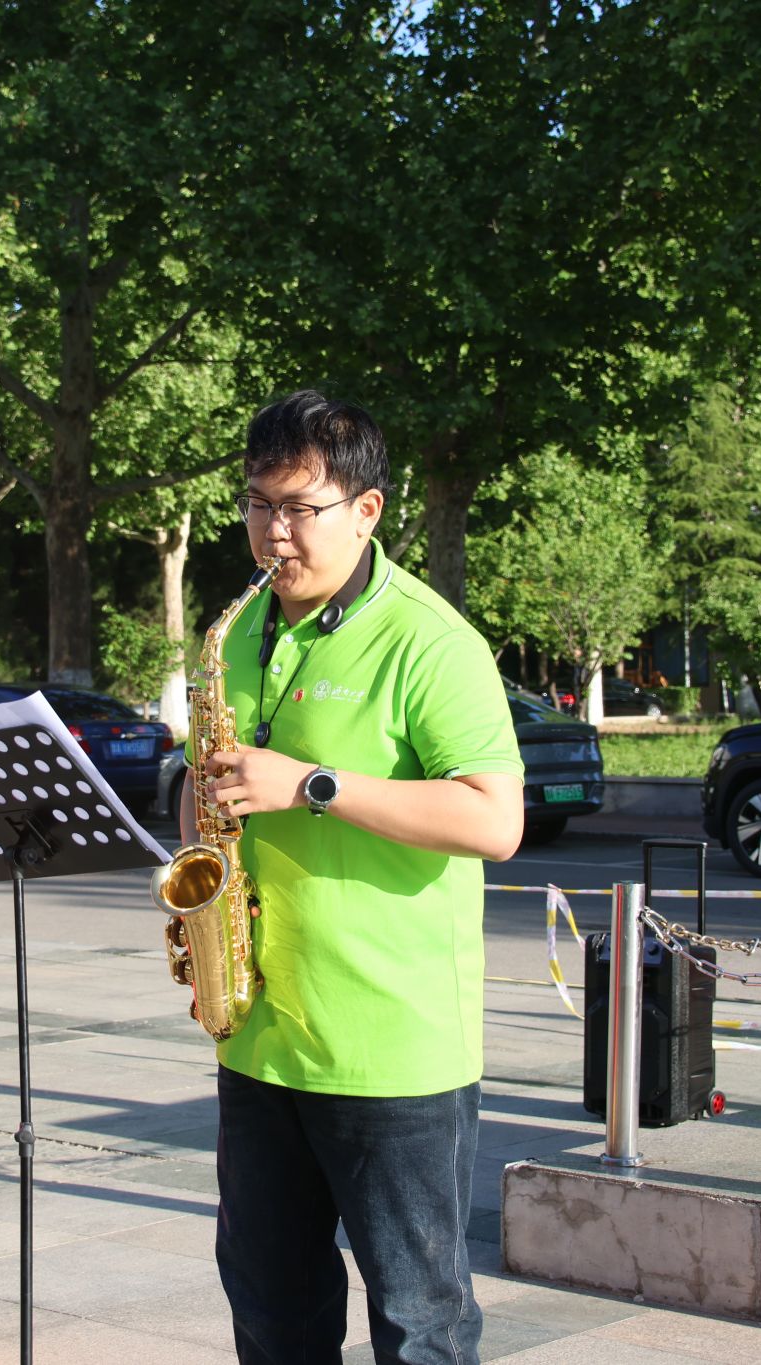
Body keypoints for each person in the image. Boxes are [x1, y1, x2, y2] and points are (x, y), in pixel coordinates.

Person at [191, 392, 523, 1365]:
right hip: (260, 1037)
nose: (273, 533)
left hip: (391, 1051)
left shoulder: (432, 641)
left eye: (300, 508)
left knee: (420, 1329)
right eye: (258, 505)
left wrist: (312, 784)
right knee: (271, 1318)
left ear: (368, 509)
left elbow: (494, 820)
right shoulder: (235, 634)